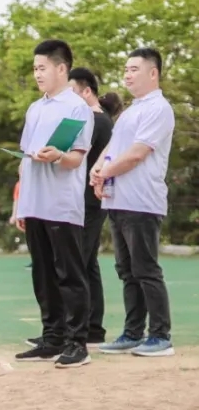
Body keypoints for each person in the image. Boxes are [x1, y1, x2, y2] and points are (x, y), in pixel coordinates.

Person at [12, 40, 94, 368]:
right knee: (43, 275)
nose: (37, 74)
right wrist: (19, 202)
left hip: (61, 204)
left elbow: (76, 158)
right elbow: (24, 157)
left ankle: (78, 343)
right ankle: (52, 338)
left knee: (70, 275)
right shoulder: (35, 108)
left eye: (42, 67)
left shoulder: (77, 107)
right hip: (34, 203)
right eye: (34, 69)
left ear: (62, 68)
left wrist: (58, 155)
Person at [91, 48, 176, 358]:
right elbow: (114, 147)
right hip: (118, 200)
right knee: (126, 270)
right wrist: (96, 169)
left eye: (134, 69)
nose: (127, 74)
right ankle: (132, 332)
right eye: (125, 69)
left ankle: (160, 335)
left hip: (142, 202)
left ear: (152, 73)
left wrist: (104, 173)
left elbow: (139, 153)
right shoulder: (130, 111)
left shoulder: (159, 109)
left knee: (145, 269)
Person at [61, 67, 118, 346]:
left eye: (72, 92)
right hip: (86, 200)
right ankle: (92, 328)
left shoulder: (95, 121)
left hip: (89, 202)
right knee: (87, 264)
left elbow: (60, 148)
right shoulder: (92, 119)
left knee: (77, 264)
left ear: (87, 92)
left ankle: (73, 331)